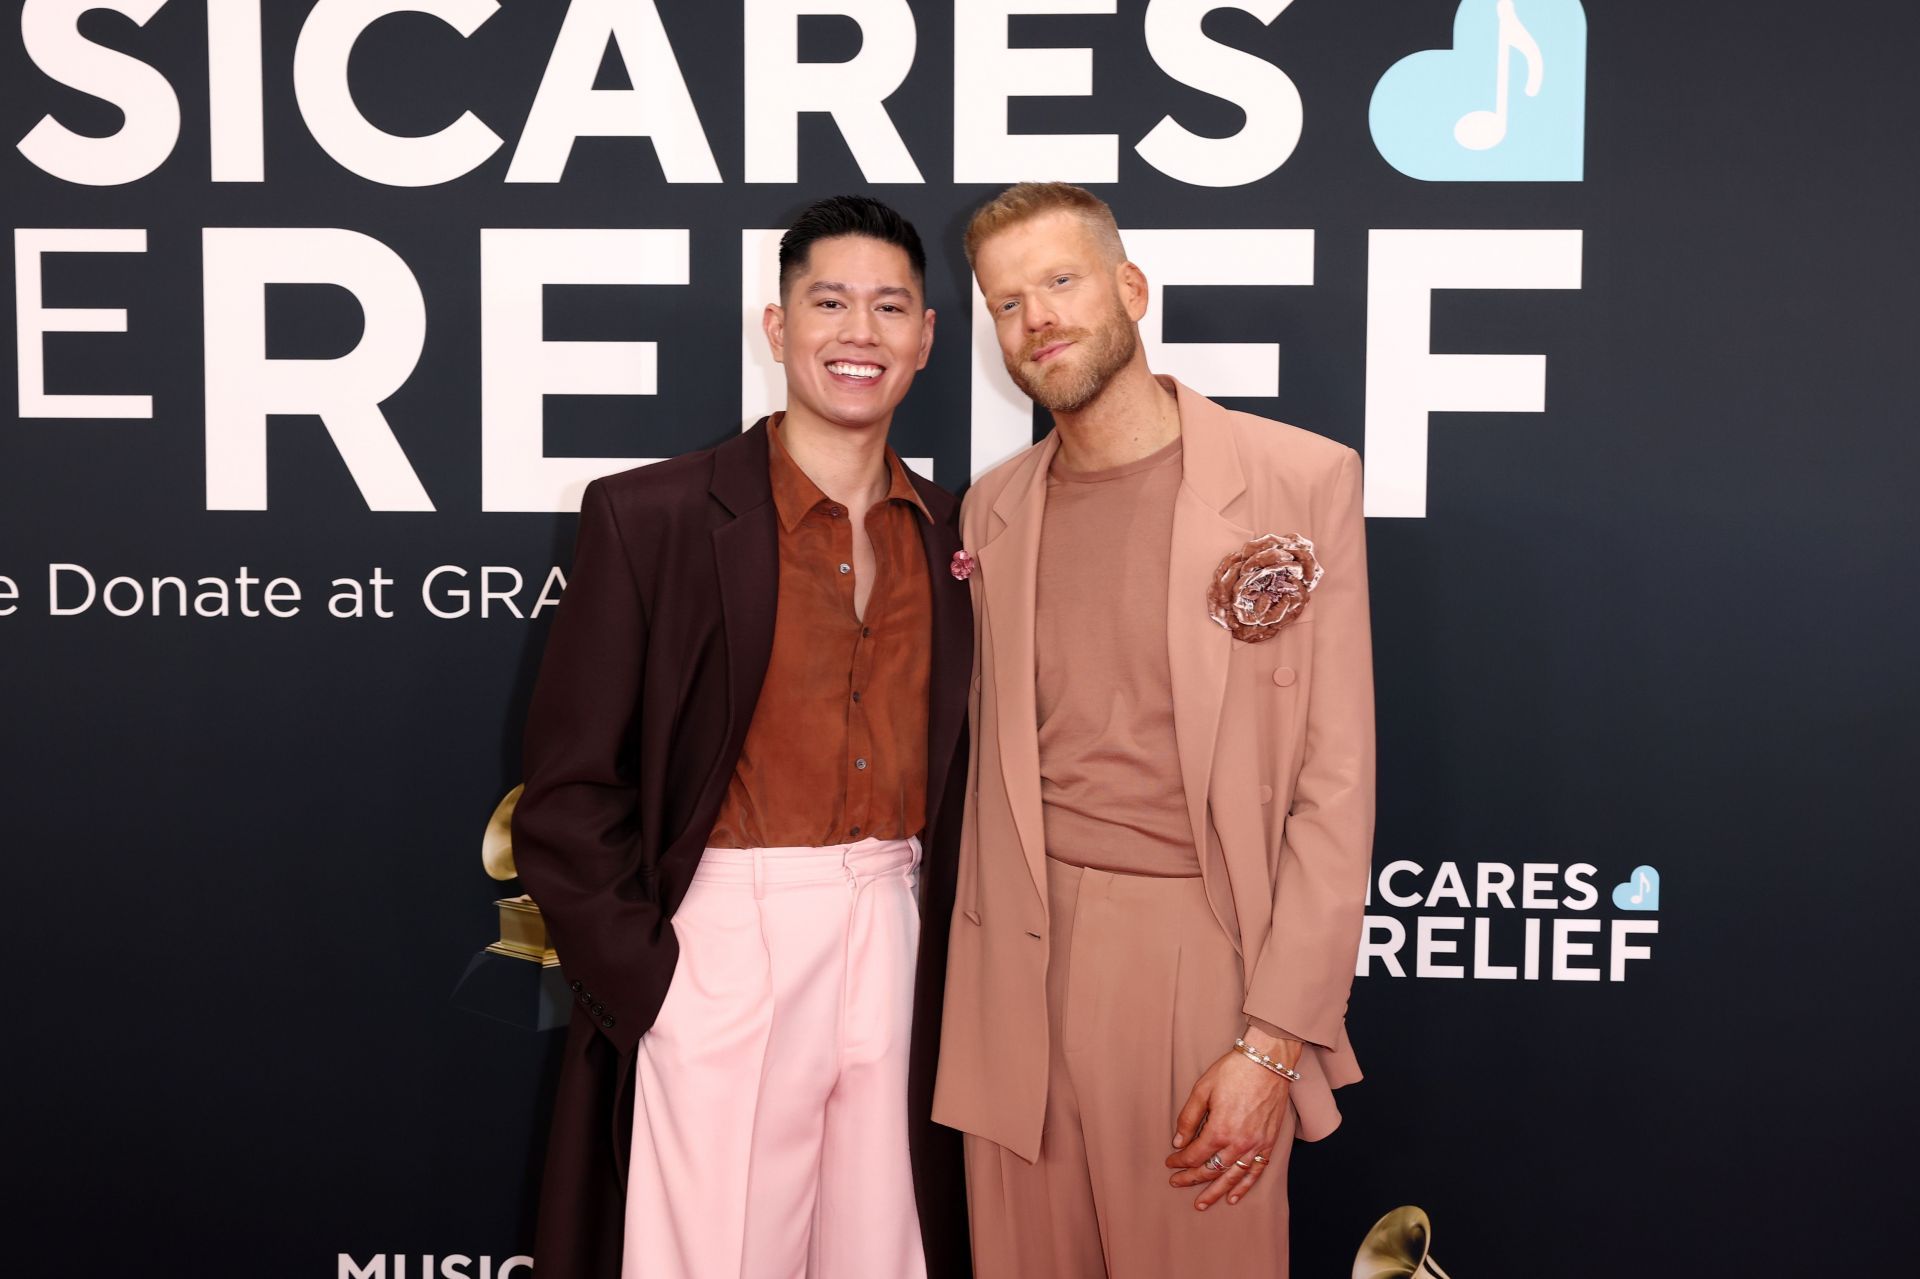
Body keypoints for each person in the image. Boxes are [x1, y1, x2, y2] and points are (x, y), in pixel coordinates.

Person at [511, 195, 972, 1279]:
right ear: (777, 326)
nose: (859, 333)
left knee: (891, 1256)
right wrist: (655, 985)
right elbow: (570, 792)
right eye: (829, 302)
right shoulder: (651, 515)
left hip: (904, 936)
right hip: (725, 941)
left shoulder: (964, 532)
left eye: (889, 307)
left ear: (924, 340)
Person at [932, 182, 1375, 1278]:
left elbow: (1336, 780)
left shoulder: (1297, 478)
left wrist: (1270, 1042)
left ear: (1131, 288)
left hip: (1197, 960)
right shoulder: (992, 510)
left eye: (1061, 281)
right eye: (1006, 302)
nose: (1036, 318)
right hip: (1011, 969)